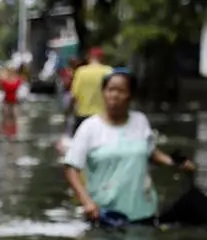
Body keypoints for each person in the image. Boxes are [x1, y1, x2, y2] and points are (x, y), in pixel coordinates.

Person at [63, 69, 195, 224]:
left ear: (130, 96)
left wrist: (176, 163)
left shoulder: (140, 121)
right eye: (110, 90)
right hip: (104, 214)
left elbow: (151, 152)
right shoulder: (90, 127)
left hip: (143, 212)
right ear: (103, 93)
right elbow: (71, 168)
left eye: (121, 91)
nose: (114, 95)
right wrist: (86, 202)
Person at [69, 48, 113, 136]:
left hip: (83, 116)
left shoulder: (81, 71)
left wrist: (68, 112)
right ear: (102, 58)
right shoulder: (109, 71)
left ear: (89, 57)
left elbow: (73, 96)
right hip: (103, 116)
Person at [0, 67, 24, 137]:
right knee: (6, 117)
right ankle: (6, 132)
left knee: (14, 118)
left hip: (14, 102)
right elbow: (0, 88)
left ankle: (13, 133)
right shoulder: (4, 81)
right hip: (6, 101)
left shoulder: (17, 80)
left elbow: (21, 88)